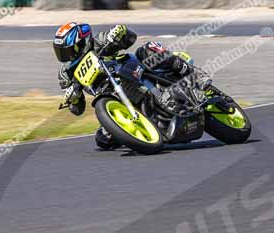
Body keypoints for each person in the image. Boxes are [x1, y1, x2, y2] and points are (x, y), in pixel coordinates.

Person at [53, 22, 193, 149]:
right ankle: (146, 133)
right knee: (103, 139)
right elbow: (77, 110)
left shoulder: (98, 41)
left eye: (67, 50)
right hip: (112, 98)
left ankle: (185, 68)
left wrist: (119, 33)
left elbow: (131, 37)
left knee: (146, 50)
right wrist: (74, 99)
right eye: (61, 52)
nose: (65, 56)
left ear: (80, 43)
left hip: (130, 69)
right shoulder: (65, 74)